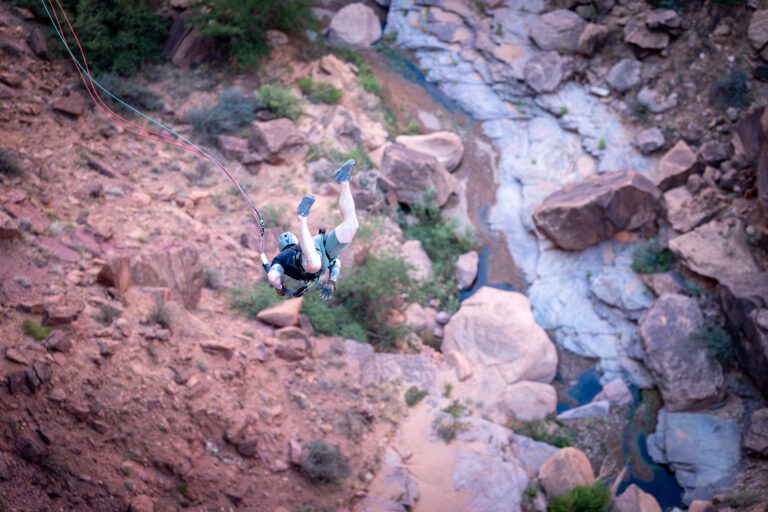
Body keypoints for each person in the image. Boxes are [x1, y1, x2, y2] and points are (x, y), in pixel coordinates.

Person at [267, 159, 358, 299]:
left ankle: (302, 218)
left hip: (314, 256)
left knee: (314, 264)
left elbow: (273, 277)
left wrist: (283, 290)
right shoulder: (291, 251)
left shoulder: (281, 258)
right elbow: (336, 262)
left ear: (281, 248)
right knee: (352, 225)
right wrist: (331, 282)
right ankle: (343, 181)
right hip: (323, 245)